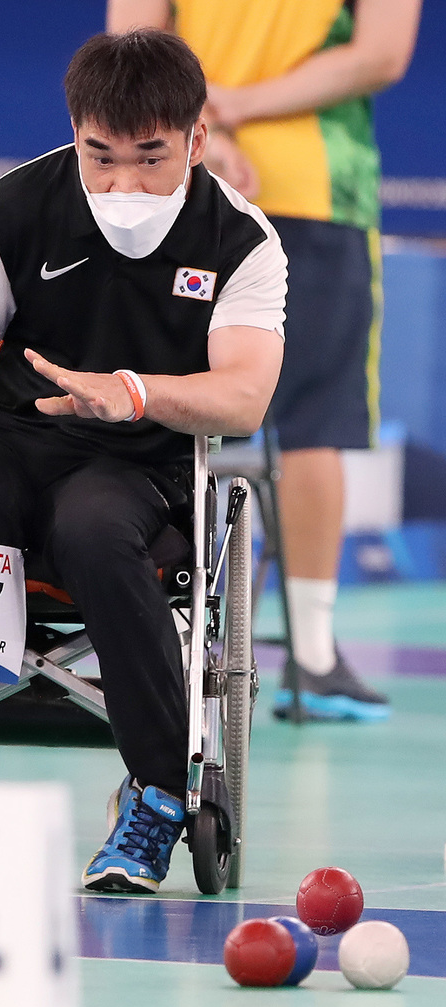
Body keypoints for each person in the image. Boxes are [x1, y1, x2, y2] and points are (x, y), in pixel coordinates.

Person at [0, 29, 286, 894]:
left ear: (197, 140)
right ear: (74, 133)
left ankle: (157, 792)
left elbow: (244, 394)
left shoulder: (242, 240)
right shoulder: (18, 204)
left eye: (149, 158)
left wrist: (132, 393)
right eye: (101, 156)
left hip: (143, 465)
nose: (123, 183)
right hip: (14, 437)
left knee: (93, 528)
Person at [107, 0, 422, 722]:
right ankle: (313, 657)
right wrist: (232, 109)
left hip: (178, 174)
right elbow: (380, 53)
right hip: (309, 185)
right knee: (311, 425)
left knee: (150, 396)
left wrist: (200, 127)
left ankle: (140, 635)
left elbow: (131, 43)